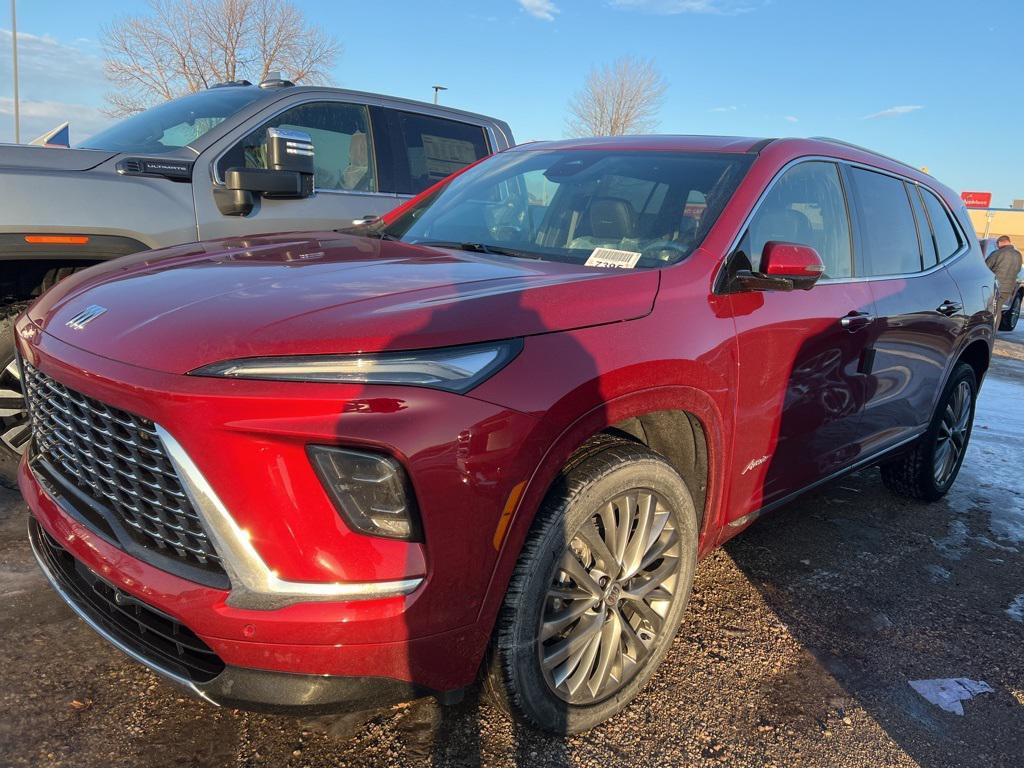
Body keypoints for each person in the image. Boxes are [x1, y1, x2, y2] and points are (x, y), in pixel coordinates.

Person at [986, 235, 1022, 327]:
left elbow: (986, 268)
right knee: (998, 309)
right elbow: (1017, 270)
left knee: (992, 310)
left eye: (997, 244)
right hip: (1008, 288)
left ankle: (991, 331)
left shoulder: (997, 253)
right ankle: (993, 330)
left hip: (995, 287)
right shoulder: (1018, 255)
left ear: (1000, 243)